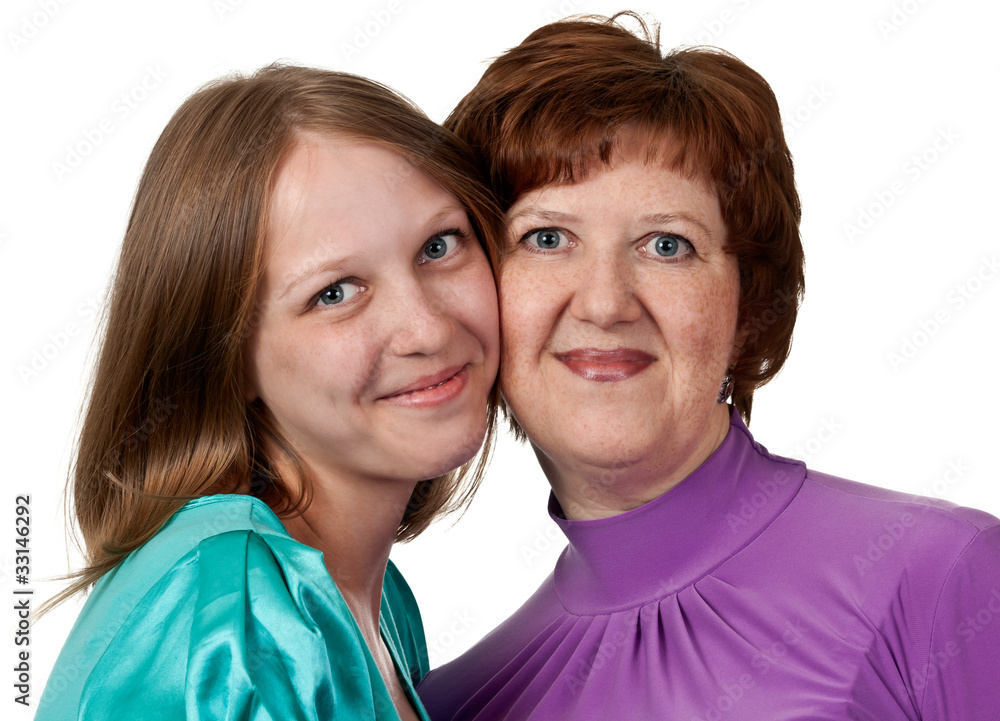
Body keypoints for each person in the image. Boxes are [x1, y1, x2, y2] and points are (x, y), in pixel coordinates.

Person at [417, 14, 1000, 721]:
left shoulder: (946, 575)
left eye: (668, 245)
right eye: (546, 238)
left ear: (748, 307)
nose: (605, 303)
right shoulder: (453, 703)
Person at [35, 64, 501, 721]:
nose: (428, 329)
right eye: (334, 292)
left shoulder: (379, 602)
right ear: (229, 357)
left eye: (438, 246)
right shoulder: (240, 621)